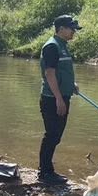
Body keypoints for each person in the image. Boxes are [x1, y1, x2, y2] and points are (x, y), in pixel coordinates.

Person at [38, 15, 81, 185]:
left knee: (56, 136)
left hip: (62, 96)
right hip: (52, 99)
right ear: (61, 29)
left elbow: (60, 71)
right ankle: (45, 173)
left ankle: (47, 169)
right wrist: (58, 99)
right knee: (52, 135)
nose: (74, 32)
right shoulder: (52, 46)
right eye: (71, 29)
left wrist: (71, 84)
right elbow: (49, 73)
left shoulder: (62, 45)